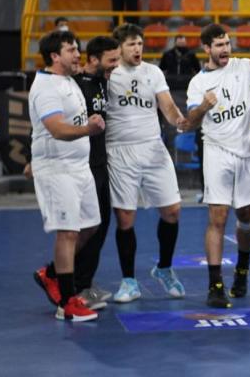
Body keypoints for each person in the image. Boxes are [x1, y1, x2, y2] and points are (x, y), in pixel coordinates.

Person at [184, 23, 250, 308]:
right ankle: (215, 285)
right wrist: (202, 107)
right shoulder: (197, 83)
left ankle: (242, 268)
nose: (225, 49)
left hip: (248, 151)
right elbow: (190, 121)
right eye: (219, 45)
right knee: (218, 217)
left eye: (227, 43)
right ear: (207, 49)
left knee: (246, 216)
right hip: (217, 152)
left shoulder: (242, 66)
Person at [105, 24, 187, 304]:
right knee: (125, 218)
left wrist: (179, 120)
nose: (137, 48)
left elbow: (166, 105)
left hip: (153, 149)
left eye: (139, 43)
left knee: (173, 211)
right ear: (119, 49)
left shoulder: (153, 72)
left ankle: (164, 268)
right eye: (130, 44)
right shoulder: (110, 75)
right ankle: (129, 281)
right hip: (120, 152)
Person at [30, 29, 105, 322]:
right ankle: (66, 303)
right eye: (72, 50)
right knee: (69, 231)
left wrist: (86, 124)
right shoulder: (46, 87)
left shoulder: (67, 81)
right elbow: (57, 129)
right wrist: (89, 129)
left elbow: (71, 121)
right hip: (57, 169)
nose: (78, 54)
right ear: (54, 56)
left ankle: (50, 273)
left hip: (78, 167)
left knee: (90, 226)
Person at [70, 36, 120, 311]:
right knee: (82, 229)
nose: (116, 65)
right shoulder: (75, 84)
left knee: (99, 227)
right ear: (93, 60)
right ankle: (65, 281)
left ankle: (85, 284)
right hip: (81, 166)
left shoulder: (103, 80)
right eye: (111, 60)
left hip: (100, 164)